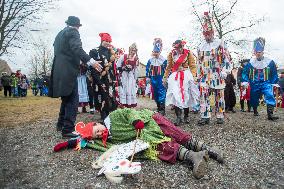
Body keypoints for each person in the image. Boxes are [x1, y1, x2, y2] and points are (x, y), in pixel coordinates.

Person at [53, 108, 224, 179]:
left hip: (148, 120)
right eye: (95, 136)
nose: (98, 133)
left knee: (175, 133)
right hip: (144, 137)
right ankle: (193, 156)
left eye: (96, 129)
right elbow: (84, 142)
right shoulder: (107, 140)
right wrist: (67, 144)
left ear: (97, 123)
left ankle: (207, 149)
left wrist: (135, 121)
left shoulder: (112, 117)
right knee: (157, 147)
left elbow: (127, 111)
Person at [48, 16, 102, 138]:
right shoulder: (73, 32)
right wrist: (91, 61)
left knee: (66, 97)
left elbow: (64, 50)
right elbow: (77, 48)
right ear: (77, 26)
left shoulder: (60, 34)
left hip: (59, 68)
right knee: (73, 99)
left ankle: (61, 124)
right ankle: (68, 129)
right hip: (68, 69)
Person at [196, 12, 232, 125]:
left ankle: (220, 115)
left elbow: (227, 58)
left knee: (219, 95)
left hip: (217, 73)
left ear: (213, 33)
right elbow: (198, 62)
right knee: (203, 95)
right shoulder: (200, 46)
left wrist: (225, 71)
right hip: (205, 75)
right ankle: (205, 116)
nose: (207, 36)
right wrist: (197, 75)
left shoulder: (220, 43)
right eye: (205, 34)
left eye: (209, 34)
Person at [163, 40, 199, 126]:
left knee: (186, 94)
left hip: (186, 75)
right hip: (175, 76)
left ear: (182, 46)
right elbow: (168, 67)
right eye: (177, 48)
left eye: (180, 47)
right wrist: (165, 77)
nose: (179, 49)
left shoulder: (188, 53)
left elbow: (193, 66)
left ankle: (186, 116)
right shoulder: (171, 54)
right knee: (176, 95)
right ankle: (178, 117)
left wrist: (194, 76)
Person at [242, 37, 279, 120]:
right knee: (254, 98)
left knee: (269, 94)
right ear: (254, 53)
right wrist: (245, 81)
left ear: (262, 52)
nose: (258, 54)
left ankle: (270, 114)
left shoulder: (269, 62)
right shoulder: (250, 63)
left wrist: (274, 82)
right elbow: (245, 73)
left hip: (266, 82)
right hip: (254, 82)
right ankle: (255, 110)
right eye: (256, 52)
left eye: (260, 52)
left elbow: (273, 72)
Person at [89, 33, 117, 120]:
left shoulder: (111, 52)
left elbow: (112, 66)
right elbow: (92, 66)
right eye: (106, 41)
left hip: (109, 77)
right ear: (102, 40)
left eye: (109, 41)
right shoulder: (95, 51)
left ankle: (109, 111)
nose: (108, 43)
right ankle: (103, 112)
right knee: (100, 94)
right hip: (99, 77)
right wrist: (97, 79)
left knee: (109, 94)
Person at [146, 38, 167, 115]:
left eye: (157, 52)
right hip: (153, 79)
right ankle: (158, 107)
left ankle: (162, 109)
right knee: (155, 93)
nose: (156, 53)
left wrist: (166, 78)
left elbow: (167, 70)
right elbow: (147, 69)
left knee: (161, 93)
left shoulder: (164, 60)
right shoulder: (150, 60)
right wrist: (148, 77)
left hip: (160, 79)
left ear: (160, 51)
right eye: (155, 52)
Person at [116, 43, 139, 108]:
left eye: (134, 51)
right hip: (124, 75)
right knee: (123, 89)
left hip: (130, 76)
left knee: (130, 90)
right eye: (132, 50)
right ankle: (122, 104)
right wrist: (124, 67)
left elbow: (135, 70)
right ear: (129, 50)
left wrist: (135, 78)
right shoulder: (124, 56)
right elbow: (117, 66)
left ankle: (129, 105)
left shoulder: (136, 59)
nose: (133, 52)